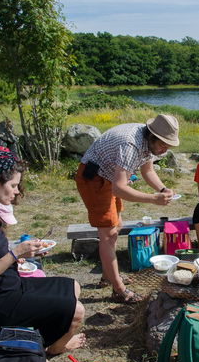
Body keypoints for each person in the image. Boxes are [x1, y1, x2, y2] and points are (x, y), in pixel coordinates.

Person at [0, 143, 85, 362]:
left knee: (73, 286)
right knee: (76, 311)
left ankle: (40, 340)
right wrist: (15, 254)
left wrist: (23, 252)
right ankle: (48, 351)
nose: (17, 191)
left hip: (10, 285)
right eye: (13, 185)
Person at [75, 114, 179, 303]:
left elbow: (148, 170)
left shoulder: (148, 141)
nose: (165, 149)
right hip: (93, 178)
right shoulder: (130, 144)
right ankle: (118, 289)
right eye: (164, 144)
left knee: (117, 226)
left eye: (168, 145)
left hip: (109, 176)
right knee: (107, 234)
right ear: (153, 136)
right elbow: (120, 188)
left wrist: (162, 189)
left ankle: (108, 276)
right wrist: (154, 199)